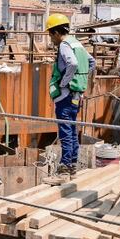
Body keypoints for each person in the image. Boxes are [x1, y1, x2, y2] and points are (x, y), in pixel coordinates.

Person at [44, 13, 95, 183]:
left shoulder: (65, 45)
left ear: (56, 32)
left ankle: (64, 170)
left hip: (66, 96)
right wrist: (81, 83)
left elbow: (72, 63)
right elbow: (91, 62)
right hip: (76, 96)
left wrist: (64, 83)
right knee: (72, 132)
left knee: (66, 132)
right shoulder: (77, 43)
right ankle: (72, 167)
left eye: (51, 34)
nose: (51, 39)